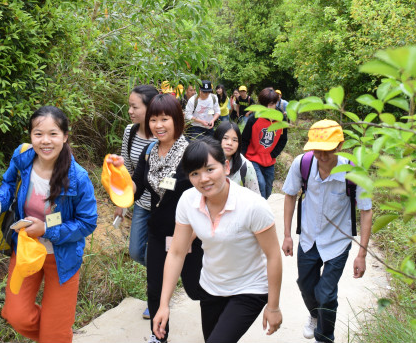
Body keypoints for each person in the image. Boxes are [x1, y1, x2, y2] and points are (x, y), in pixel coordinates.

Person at [0, 106, 98, 343]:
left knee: (56, 334)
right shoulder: (23, 158)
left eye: (53, 134)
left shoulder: (78, 177)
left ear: (65, 136)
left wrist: (47, 229)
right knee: (16, 315)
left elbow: (87, 222)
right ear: (30, 135)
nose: (45, 141)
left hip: (62, 257)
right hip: (26, 250)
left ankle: (55, 335)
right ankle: (53, 335)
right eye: (38, 134)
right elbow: (9, 185)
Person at [152, 138, 283, 343]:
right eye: (195, 173)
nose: (203, 179)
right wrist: (163, 305)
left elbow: (273, 255)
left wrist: (273, 306)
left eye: (210, 169)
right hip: (211, 286)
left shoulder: (253, 206)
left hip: (249, 288)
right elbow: (177, 252)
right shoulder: (188, 201)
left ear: (226, 166)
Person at [107, 94, 204, 343]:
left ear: (177, 120)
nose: (158, 125)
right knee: (155, 289)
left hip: (189, 234)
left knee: (195, 288)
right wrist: (118, 171)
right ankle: (158, 336)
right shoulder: (150, 152)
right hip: (159, 231)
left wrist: (193, 235)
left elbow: (204, 195)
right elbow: (136, 188)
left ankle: (220, 318)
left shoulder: (191, 155)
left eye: (164, 119)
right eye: (153, 120)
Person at [281, 120, 373, 343]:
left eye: (328, 150)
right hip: (309, 239)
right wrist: (286, 235)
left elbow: (366, 211)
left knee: (326, 294)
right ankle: (314, 315)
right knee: (305, 285)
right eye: (317, 150)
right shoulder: (302, 164)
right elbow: (290, 195)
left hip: (337, 243)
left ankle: (324, 337)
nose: (322, 156)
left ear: (340, 145)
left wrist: (361, 254)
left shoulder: (353, 170)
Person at [115, 84, 159, 319]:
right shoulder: (130, 132)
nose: (130, 111)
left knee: (156, 253)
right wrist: (122, 201)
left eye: (135, 106)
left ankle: (157, 297)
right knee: (135, 252)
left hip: (164, 206)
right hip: (140, 202)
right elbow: (129, 170)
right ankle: (163, 274)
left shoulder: (165, 132)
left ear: (149, 107)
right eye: (129, 106)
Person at [241, 87, 288, 200]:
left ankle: (263, 206)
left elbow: (283, 139)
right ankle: (261, 211)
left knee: (268, 187)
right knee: (260, 184)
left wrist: (273, 154)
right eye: (265, 104)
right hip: (252, 157)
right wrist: (242, 158)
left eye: (271, 104)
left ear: (276, 103)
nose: (268, 108)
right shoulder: (254, 119)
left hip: (269, 160)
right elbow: (244, 139)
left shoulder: (281, 120)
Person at [214, 121, 261, 195]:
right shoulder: (205, 161)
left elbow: (255, 196)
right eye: (225, 138)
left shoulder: (245, 166)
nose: (229, 143)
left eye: (234, 140)